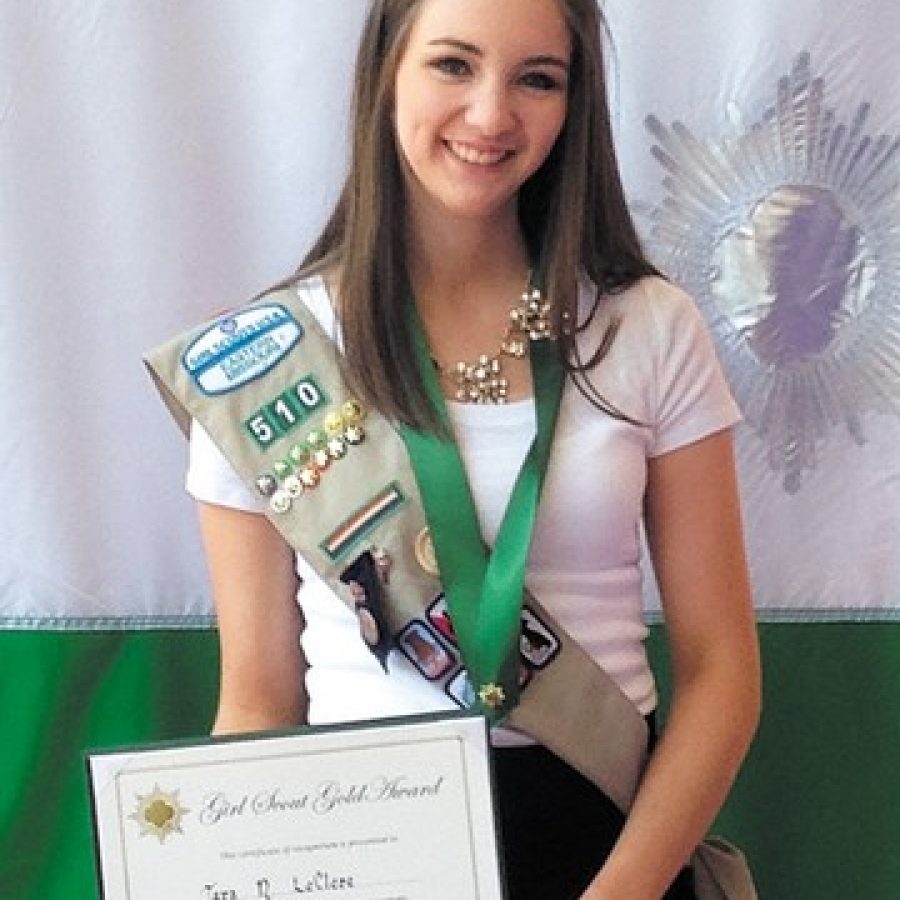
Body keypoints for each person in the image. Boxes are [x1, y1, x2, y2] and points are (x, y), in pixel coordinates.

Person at [178, 0, 761, 897]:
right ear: (386, 74)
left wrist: (624, 890)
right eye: (453, 65)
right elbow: (259, 697)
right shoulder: (267, 359)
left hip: (610, 847)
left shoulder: (647, 326)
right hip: (360, 849)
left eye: (538, 78)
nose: (492, 116)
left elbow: (722, 671)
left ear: (574, 104)